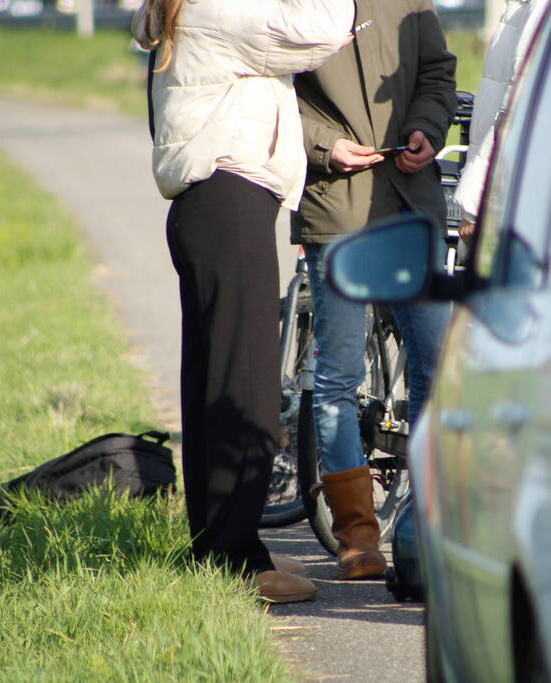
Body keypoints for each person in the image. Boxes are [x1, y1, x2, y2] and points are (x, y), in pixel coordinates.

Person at [131, 0, 354, 603]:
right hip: (228, 204)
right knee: (245, 391)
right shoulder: (220, 8)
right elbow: (324, 29)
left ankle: (220, 548)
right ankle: (235, 561)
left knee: (217, 384)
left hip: (213, 208)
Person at [292, 1, 457, 580]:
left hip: (411, 203)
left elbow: (437, 70)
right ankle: (357, 535)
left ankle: (425, 527)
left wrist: (427, 129)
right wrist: (324, 146)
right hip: (336, 204)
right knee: (338, 375)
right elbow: (269, 92)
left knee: (439, 367)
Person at [453, 0, 548, 242]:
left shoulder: (538, 7)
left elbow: (516, 108)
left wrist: (475, 202)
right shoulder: (520, 7)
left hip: (514, 201)